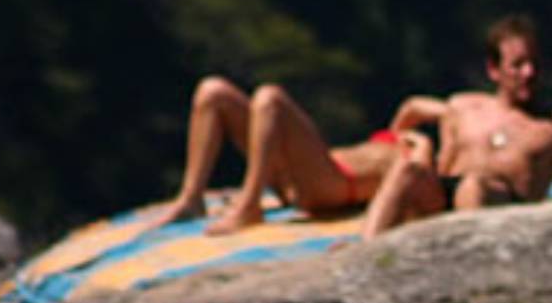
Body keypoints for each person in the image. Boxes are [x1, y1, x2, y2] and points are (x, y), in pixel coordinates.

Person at [360, 15, 552, 240]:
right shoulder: (463, 107)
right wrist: (399, 139)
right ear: (494, 70)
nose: (529, 73)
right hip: (448, 197)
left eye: (534, 64)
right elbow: (416, 114)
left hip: (509, 209)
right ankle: (366, 251)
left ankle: (468, 266)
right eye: (518, 65)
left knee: (475, 186)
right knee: (408, 172)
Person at [143, 75, 406, 233]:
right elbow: (413, 108)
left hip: (334, 186)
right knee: (213, 92)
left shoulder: (419, 157)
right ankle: (191, 199)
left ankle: (250, 206)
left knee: (270, 98)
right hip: (301, 174)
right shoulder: (398, 133)